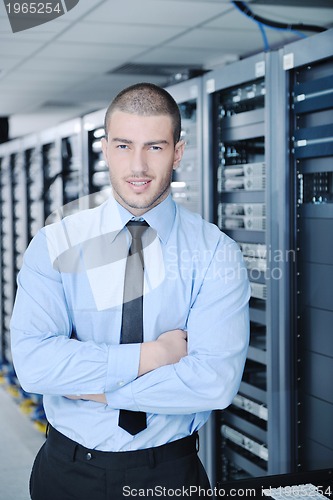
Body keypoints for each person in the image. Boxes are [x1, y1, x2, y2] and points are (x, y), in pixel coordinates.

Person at [10, 82, 250, 500]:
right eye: (124, 146)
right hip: (66, 472)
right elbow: (34, 366)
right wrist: (153, 356)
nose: (137, 166)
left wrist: (88, 386)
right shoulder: (54, 243)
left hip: (170, 473)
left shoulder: (216, 253)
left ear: (177, 151)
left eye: (154, 147)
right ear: (105, 148)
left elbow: (213, 383)